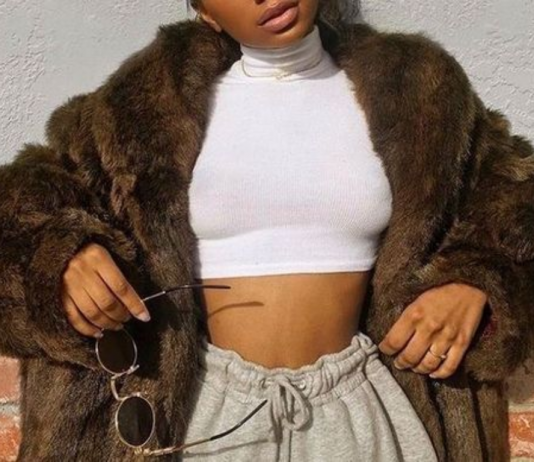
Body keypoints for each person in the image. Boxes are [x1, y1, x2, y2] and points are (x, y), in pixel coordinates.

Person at [0, 0, 533, 461]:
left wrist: (479, 280)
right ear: (205, 11)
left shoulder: (422, 97)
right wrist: (62, 261)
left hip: (365, 411)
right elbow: (17, 219)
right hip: (205, 417)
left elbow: (515, 199)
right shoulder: (133, 115)